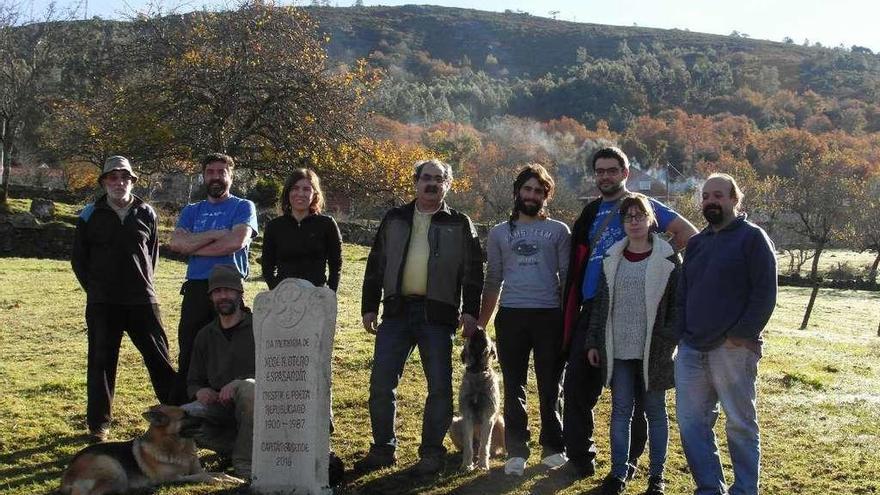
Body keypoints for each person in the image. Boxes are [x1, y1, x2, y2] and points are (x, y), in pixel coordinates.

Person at [560, 146, 697, 479]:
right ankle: (581, 456)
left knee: (634, 394)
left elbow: (687, 233)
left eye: (612, 170)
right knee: (578, 383)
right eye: (600, 171)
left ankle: (630, 463)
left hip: (634, 308)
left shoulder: (640, 206)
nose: (605, 176)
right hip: (593, 307)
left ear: (625, 173)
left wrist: (657, 263)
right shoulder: (591, 212)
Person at [356, 158, 484, 476]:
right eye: (426, 177)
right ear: (415, 182)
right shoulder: (395, 218)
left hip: (439, 316)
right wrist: (369, 306)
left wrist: (470, 312)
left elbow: (473, 273)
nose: (431, 183)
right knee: (381, 384)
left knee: (439, 388)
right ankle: (383, 448)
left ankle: (431, 453)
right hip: (396, 311)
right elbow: (376, 264)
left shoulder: (460, 222)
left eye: (438, 179)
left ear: (447, 185)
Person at [675, 173, 777, 495]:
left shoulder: (752, 238)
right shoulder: (696, 244)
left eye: (718, 195)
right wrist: (681, 335)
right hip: (691, 350)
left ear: (735, 199)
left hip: (732, 350)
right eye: (706, 196)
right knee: (692, 425)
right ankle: (709, 489)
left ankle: (745, 490)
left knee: (740, 425)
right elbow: (683, 292)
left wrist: (741, 334)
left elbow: (765, 292)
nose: (710, 201)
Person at [71, 156, 176, 443]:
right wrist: (96, 289)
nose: (119, 183)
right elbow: (79, 260)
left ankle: (178, 414)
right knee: (101, 362)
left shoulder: (147, 212)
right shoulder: (89, 214)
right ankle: (98, 426)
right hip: (103, 303)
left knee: (159, 359)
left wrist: (141, 283)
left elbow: (151, 255)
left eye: (124, 178)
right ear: (104, 182)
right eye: (113, 178)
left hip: (142, 300)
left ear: (132, 181)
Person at [476, 164, 570, 476]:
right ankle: (517, 451)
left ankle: (554, 447)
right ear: (517, 192)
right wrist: (480, 325)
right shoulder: (500, 233)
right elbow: (493, 280)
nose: (532, 195)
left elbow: (568, 279)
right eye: (527, 189)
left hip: (549, 315)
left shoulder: (559, 231)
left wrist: (572, 321)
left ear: (547, 196)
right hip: (511, 315)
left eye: (539, 191)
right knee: (514, 384)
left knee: (550, 385)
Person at [584, 193, 680, 495]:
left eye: (640, 215)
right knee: (621, 411)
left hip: (655, 350)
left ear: (651, 219)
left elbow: (677, 306)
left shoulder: (668, 258)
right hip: (618, 348)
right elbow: (600, 305)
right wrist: (593, 342)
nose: (634, 221)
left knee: (655, 412)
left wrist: (668, 340)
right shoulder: (611, 257)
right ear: (623, 223)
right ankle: (618, 473)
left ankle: (657, 477)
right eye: (629, 217)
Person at [168, 153, 258, 404]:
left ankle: (232, 402)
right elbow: (176, 243)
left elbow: (236, 241)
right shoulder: (192, 211)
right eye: (210, 172)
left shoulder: (243, 207)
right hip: (197, 287)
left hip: (229, 285)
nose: (216, 177)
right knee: (190, 348)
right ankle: (186, 408)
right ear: (203, 176)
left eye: (221, 172)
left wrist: (193, 246)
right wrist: (217, 233)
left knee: (233, 346)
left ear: (230, 175)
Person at [183, 264, 256, 480]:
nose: (222, 296)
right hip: (220, 409)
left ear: (239, 293)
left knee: (250, 390)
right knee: (181, 418)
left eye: (228, 290)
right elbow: (193, 379)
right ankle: (238, 447)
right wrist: (200, 391)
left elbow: (273, 372)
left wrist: (238, 383)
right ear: (211, 297)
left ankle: (245, 466)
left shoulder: (259, 327)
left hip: (256, 404)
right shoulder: (205, 335)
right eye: (217, 291)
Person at [261, 168, 342, 292]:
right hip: (283, 297)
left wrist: (330, 294)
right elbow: (267, 265)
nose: (300, 193)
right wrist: (276, 291)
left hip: (316, 295)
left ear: (314, 194)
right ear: (288, 192)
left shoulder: (327, 224)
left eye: (306, 189)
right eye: (295, 188)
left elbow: (335, 265)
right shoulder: (274, 226)